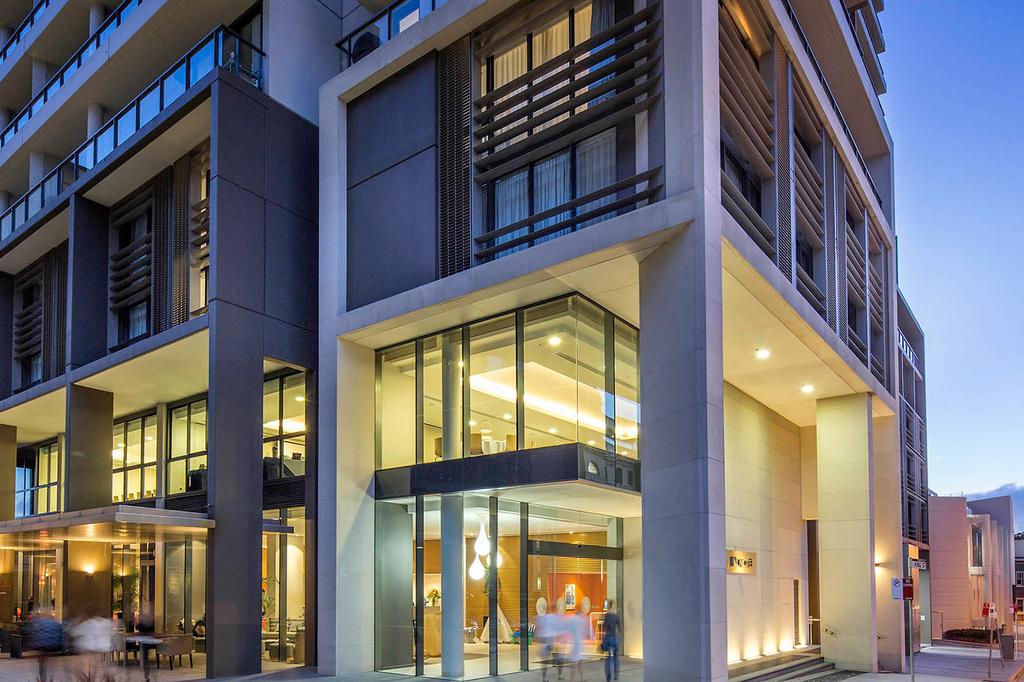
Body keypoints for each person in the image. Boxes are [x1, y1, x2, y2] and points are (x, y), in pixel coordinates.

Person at [601, 600, 622, 682]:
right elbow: (620, 628)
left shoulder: (606, 615)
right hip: (615, 638)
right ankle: (616, 675)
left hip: (608, 638)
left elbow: (604, 627)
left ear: (608, 606)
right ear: (613, 606)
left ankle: (608, 677)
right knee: (616, 657)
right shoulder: (616, 616)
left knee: (608, 658)